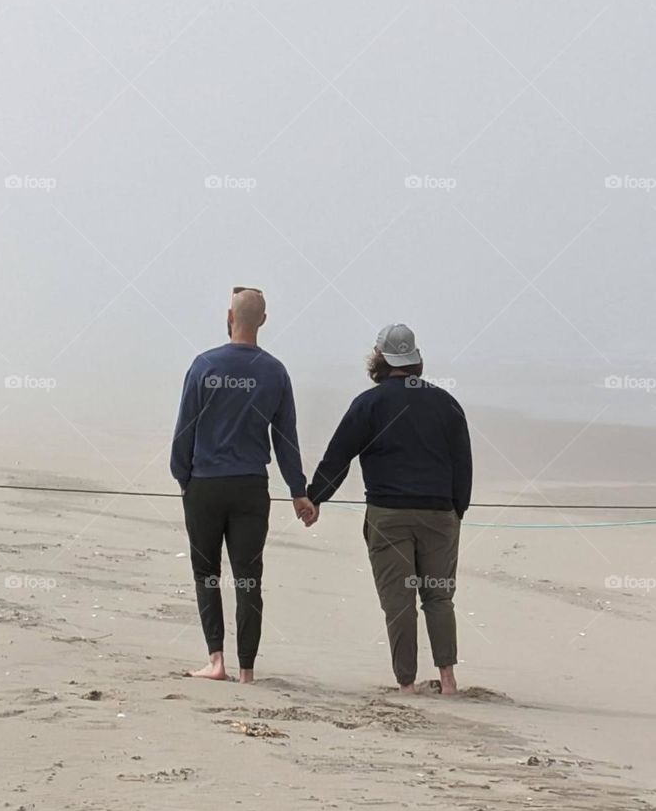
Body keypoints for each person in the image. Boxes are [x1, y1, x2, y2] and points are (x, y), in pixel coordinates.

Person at [305, 324, 472, 696]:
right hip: (439, 515)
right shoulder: (446, 403)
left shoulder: (369, 404)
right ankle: (447, 680)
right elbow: (463, 464)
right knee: (439, 596)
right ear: (415, 360)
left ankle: (407, 684)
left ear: (379, 358)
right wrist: (457, 509)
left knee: (399, 602)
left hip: (388, 514)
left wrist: (315, 497)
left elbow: (338, 456)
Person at [170, 287, 314, 683]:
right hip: (251, 486)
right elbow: (285, 438)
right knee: (249, 577)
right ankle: (247, 670)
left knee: (206, 573)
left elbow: (185, 429)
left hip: (206, 484)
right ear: (263, 321)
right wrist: (298, 491)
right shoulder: (275, 372)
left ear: (228, 317)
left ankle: (216, 661)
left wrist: (183, 477)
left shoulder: (203, 366)